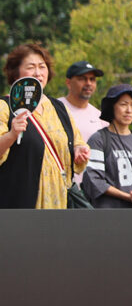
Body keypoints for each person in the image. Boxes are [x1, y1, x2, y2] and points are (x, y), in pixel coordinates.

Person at [0, 43, 90, 208]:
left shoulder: (59, 108)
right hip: (19, 204)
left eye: (42, 67)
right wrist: (12, 135)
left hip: (58, 202)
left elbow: (77, 142)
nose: (38, 73)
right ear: (15, 72)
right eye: (31, 67)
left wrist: (79, 151)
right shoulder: (4, 106)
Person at [83, 84, 132, 208]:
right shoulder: (98, 139)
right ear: (112, 107)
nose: (129, 110)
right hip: (110, 214)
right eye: (123, 104)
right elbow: (94, 180)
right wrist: (128, 197)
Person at [58, 60, 108, 142]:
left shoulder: (100, 118)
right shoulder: (54, 108)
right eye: (82, 79)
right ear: (68, 83)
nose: (88, 83)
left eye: (92, 79)